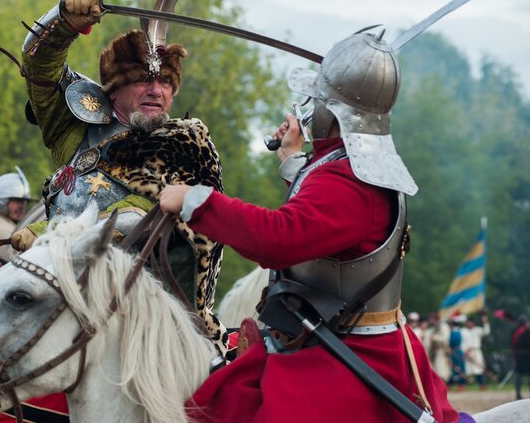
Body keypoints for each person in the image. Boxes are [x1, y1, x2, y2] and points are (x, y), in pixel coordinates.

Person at [158, 27, 459, 421]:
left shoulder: (351, 180)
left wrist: (198, 201)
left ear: (331, 111)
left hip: (346, 354)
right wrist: (291, 160)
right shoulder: (352, 168)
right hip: (326, 338)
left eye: (316, 100)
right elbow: (323, 218)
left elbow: (278, 238)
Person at [11, 0, 227, 355]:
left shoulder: (186, 145)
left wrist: (50, 235)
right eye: (143, 81)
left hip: (148, 317)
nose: (156, 91)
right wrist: (63, 18)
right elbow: (38, 63)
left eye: (165, 84)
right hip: (52, 286)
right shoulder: (75, 126)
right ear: (113, 89)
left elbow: (142, 214)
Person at [461, 314, 490, 388]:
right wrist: (464, 351)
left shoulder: (478, 330)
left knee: (479, 369)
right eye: (468, 322)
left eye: (470, 322)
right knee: (466, 369)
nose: (469, 324)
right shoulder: (463, 331)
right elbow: (462, 342)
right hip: (467, 352)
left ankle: (482, 384)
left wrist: (485, 322)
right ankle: (462, 385)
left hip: (476, 351)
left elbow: (486, 332)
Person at [513, 316, 530, 399]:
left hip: (518, 355)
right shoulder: (525, 332)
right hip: (526, 356)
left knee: (518, 375)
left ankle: (518, 394)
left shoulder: (515, 332)